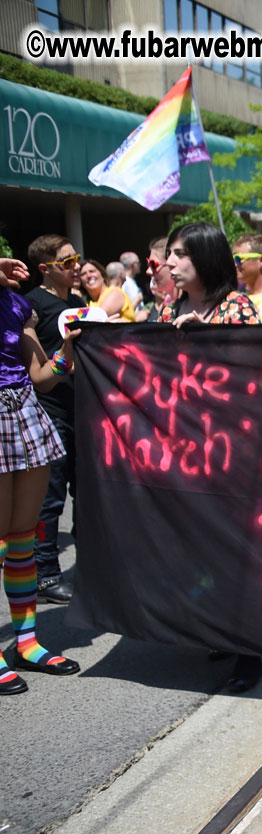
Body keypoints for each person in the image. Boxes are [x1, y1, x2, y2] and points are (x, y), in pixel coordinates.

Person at [156, 223, 262, 692]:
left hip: (233, 449)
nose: (170, 263)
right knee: (197, 546)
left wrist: (212, 333)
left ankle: (251, 650)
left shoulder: (236, 306)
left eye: (181, 255)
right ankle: (216, 627)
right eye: (170, 254)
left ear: (205, 258)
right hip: (182, 447)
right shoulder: (167, 307)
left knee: (235, 548)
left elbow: (258, 362)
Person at [0, 256, 83, 694]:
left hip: (25, 413)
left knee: (21, 538)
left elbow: (41, 377)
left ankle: (27, 641)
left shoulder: (18, 306)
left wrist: (68, 347)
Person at [23, 234, 87, 604]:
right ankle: (46, 576)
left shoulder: (78, 302)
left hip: (83, 411)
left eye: (76, 258)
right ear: (45, 268)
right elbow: (40, 377)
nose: (75, 265)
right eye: (67, 261)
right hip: (51, 413)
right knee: (51, 500)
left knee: (87, 494)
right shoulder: (31, 306)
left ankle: (90, 566)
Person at [157, 223, 260, 326]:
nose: (169, 262)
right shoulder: (169, 312)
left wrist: (207, 335)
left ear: (206, 259)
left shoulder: (239, 307)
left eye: (180, 253)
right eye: (168, 253)